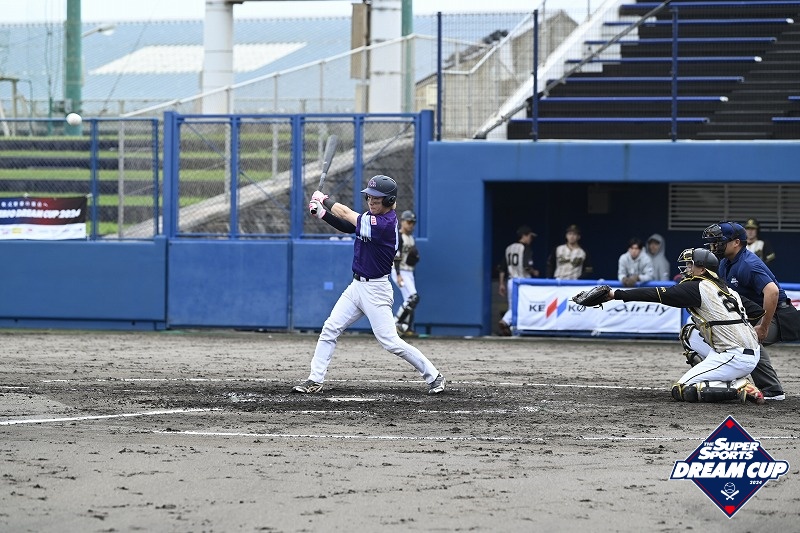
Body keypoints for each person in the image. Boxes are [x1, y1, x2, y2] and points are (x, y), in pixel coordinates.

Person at [293, 175, 445, 394]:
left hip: (376, 290)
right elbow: (348, 226)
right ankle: (315, 379)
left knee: (390, 342)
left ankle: (434, 376)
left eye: (377, 198)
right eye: (369, 197)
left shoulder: (385, 224)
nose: (371, 201)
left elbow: (346, 214)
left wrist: (324, 200)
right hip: (356, 286)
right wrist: (323, 214)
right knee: (330, 328)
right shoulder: (373, 218)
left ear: (389, 200)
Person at [598, 248, 764, 404]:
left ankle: (738, 387)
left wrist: (615, 294)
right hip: (749, 352)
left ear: (702, 270)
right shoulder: (729, 290)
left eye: (691, 265)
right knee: (689, 332)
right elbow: (757, 312)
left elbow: (656, 294)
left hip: (734, 356)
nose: (687, 268)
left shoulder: (697, 286)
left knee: (682, 389)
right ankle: (725, 376)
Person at [699, 221, 791, 400]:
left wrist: (763, 327)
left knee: (747, 338)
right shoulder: (725, 262)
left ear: (736, 243)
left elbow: (772, 292)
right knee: (710, 332)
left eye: (720, 241)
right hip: (753, 314)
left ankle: (773, 390)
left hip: (778, 315)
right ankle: (724, 377)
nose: (715, 245)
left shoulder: (748, 264)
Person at [498, 225, 539, 335]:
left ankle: (510, 325)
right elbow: (527, 266)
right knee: (523, 305)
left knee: (513, 306)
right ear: (524, 236)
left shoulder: (509, 248)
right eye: (530, 236)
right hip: (523, 281)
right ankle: (506, 321)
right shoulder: (525, 248)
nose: (531, 239)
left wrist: (501, 284)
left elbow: (502, 268)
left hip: (511, 281)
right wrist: (534, 271)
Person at [392, 210, 420, 336]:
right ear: (402, 222)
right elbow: (396, 257)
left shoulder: (411, 238)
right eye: (409, 222)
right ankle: (395, 323)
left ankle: (406, 327)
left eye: (413, 223)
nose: (411, 225)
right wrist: (398, 275)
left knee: (410, 300)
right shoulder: (399, 237)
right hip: (400, 271)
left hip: (409, 271)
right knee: (412, 298)